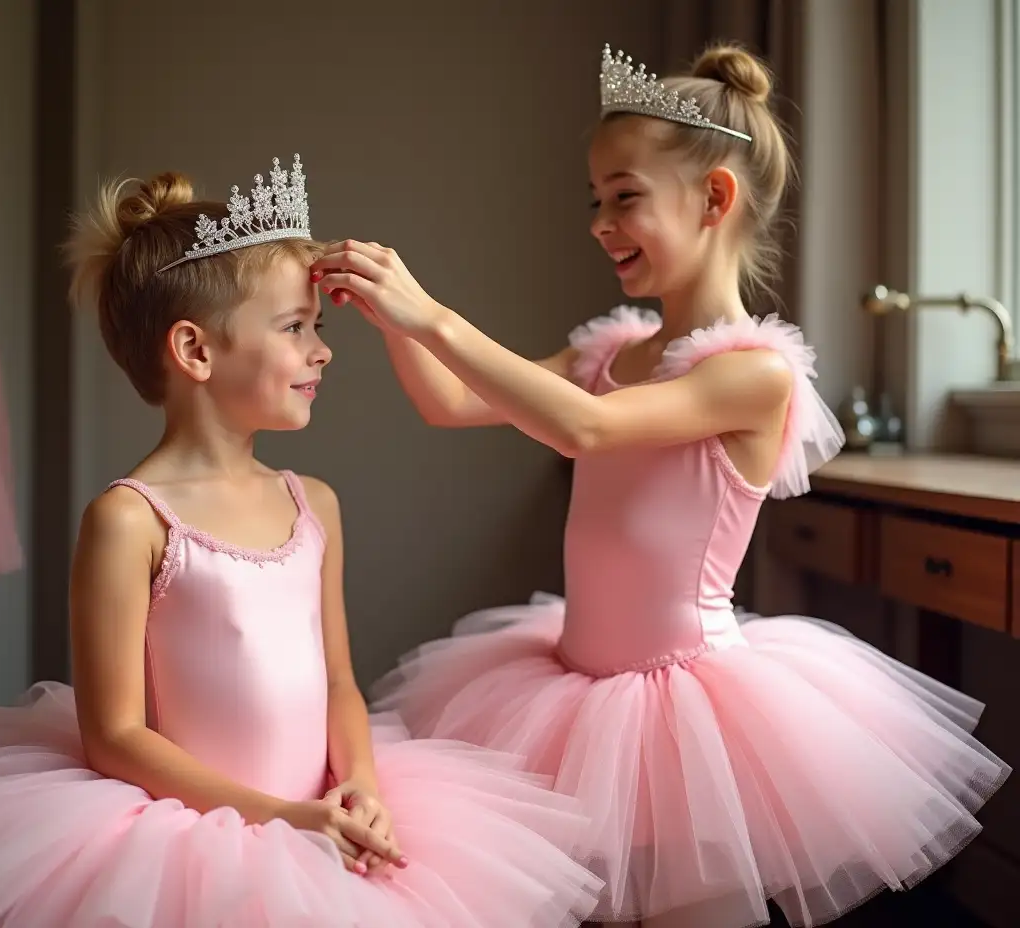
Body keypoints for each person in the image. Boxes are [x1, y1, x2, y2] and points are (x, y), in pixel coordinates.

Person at [311, 44, 1011, 928]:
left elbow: (585, 426)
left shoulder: (755, 375)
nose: (601, 221)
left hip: (689, 715)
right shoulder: (610, 352)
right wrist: (390, 319)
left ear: (715, 197)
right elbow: (452, 403)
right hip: (568, 690)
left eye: (626, 196)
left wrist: (434, 313)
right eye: (596, 200)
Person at [0, 155, 604, 928]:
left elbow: (337, 682)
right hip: (198, 841)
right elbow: (114, 735)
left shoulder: (313, 503)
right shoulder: (130, 520)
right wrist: (279, 819)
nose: (322, 350)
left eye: (319, 327)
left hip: (320, 813)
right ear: (194, 350)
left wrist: (358, 783)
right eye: (295, 328)